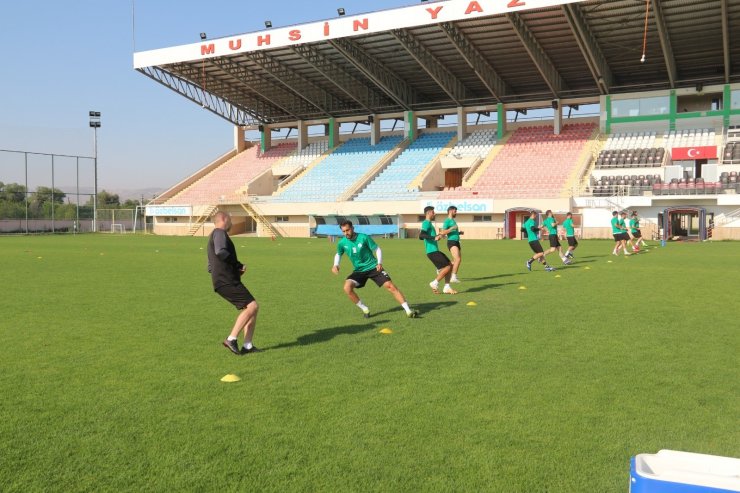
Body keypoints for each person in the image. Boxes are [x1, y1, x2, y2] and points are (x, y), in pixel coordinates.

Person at [332, 220, 419, 318]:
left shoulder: (364, 237)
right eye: (343, 231)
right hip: (359, 271)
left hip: (373, 267)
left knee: (390, 286)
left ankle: (408, 311)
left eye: (347, 230)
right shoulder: (342, 243)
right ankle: (364, 308)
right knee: (347, 288)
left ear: (353, 228)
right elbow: (338, 253)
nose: (346, 233)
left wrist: (379, 263)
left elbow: (377, 249)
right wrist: (336, 264)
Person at [207, 211, 260, 356]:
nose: (232, 223)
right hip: (226, 280)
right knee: (253, 305)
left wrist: (234, 271)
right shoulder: (219, 233)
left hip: (224, 280)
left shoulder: (213, 236)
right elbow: (221, 252)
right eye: (230, 219)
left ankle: (248, 345)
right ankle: (231, 339)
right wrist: (237, 265)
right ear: (224, 219)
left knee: (252, 308)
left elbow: (210, 267)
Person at [420, 206, 457, 294]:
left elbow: (431, 237)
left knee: (450, 265)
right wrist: (434, 237)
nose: (434, 214)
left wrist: (439, 236)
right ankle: (434, 283)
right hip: (432, 251)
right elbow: (421, 236)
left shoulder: (429, 224)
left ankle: (447, 287)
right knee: (448, 266)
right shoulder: (426, 223)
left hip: (434, 250)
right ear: (428, 213)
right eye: (433, 212)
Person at [440, 205, 462, 283]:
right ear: (450, 211)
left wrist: (459, 233)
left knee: (455, 260)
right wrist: (452, 228)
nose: (456, 213)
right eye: (455, 211)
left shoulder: (453, 220)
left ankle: (441, 268)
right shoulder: (447, 221)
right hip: (452, 242)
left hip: (456, 241)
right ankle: (453, 277)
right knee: (458, 259)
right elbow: (442, 232)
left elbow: (452, 232)